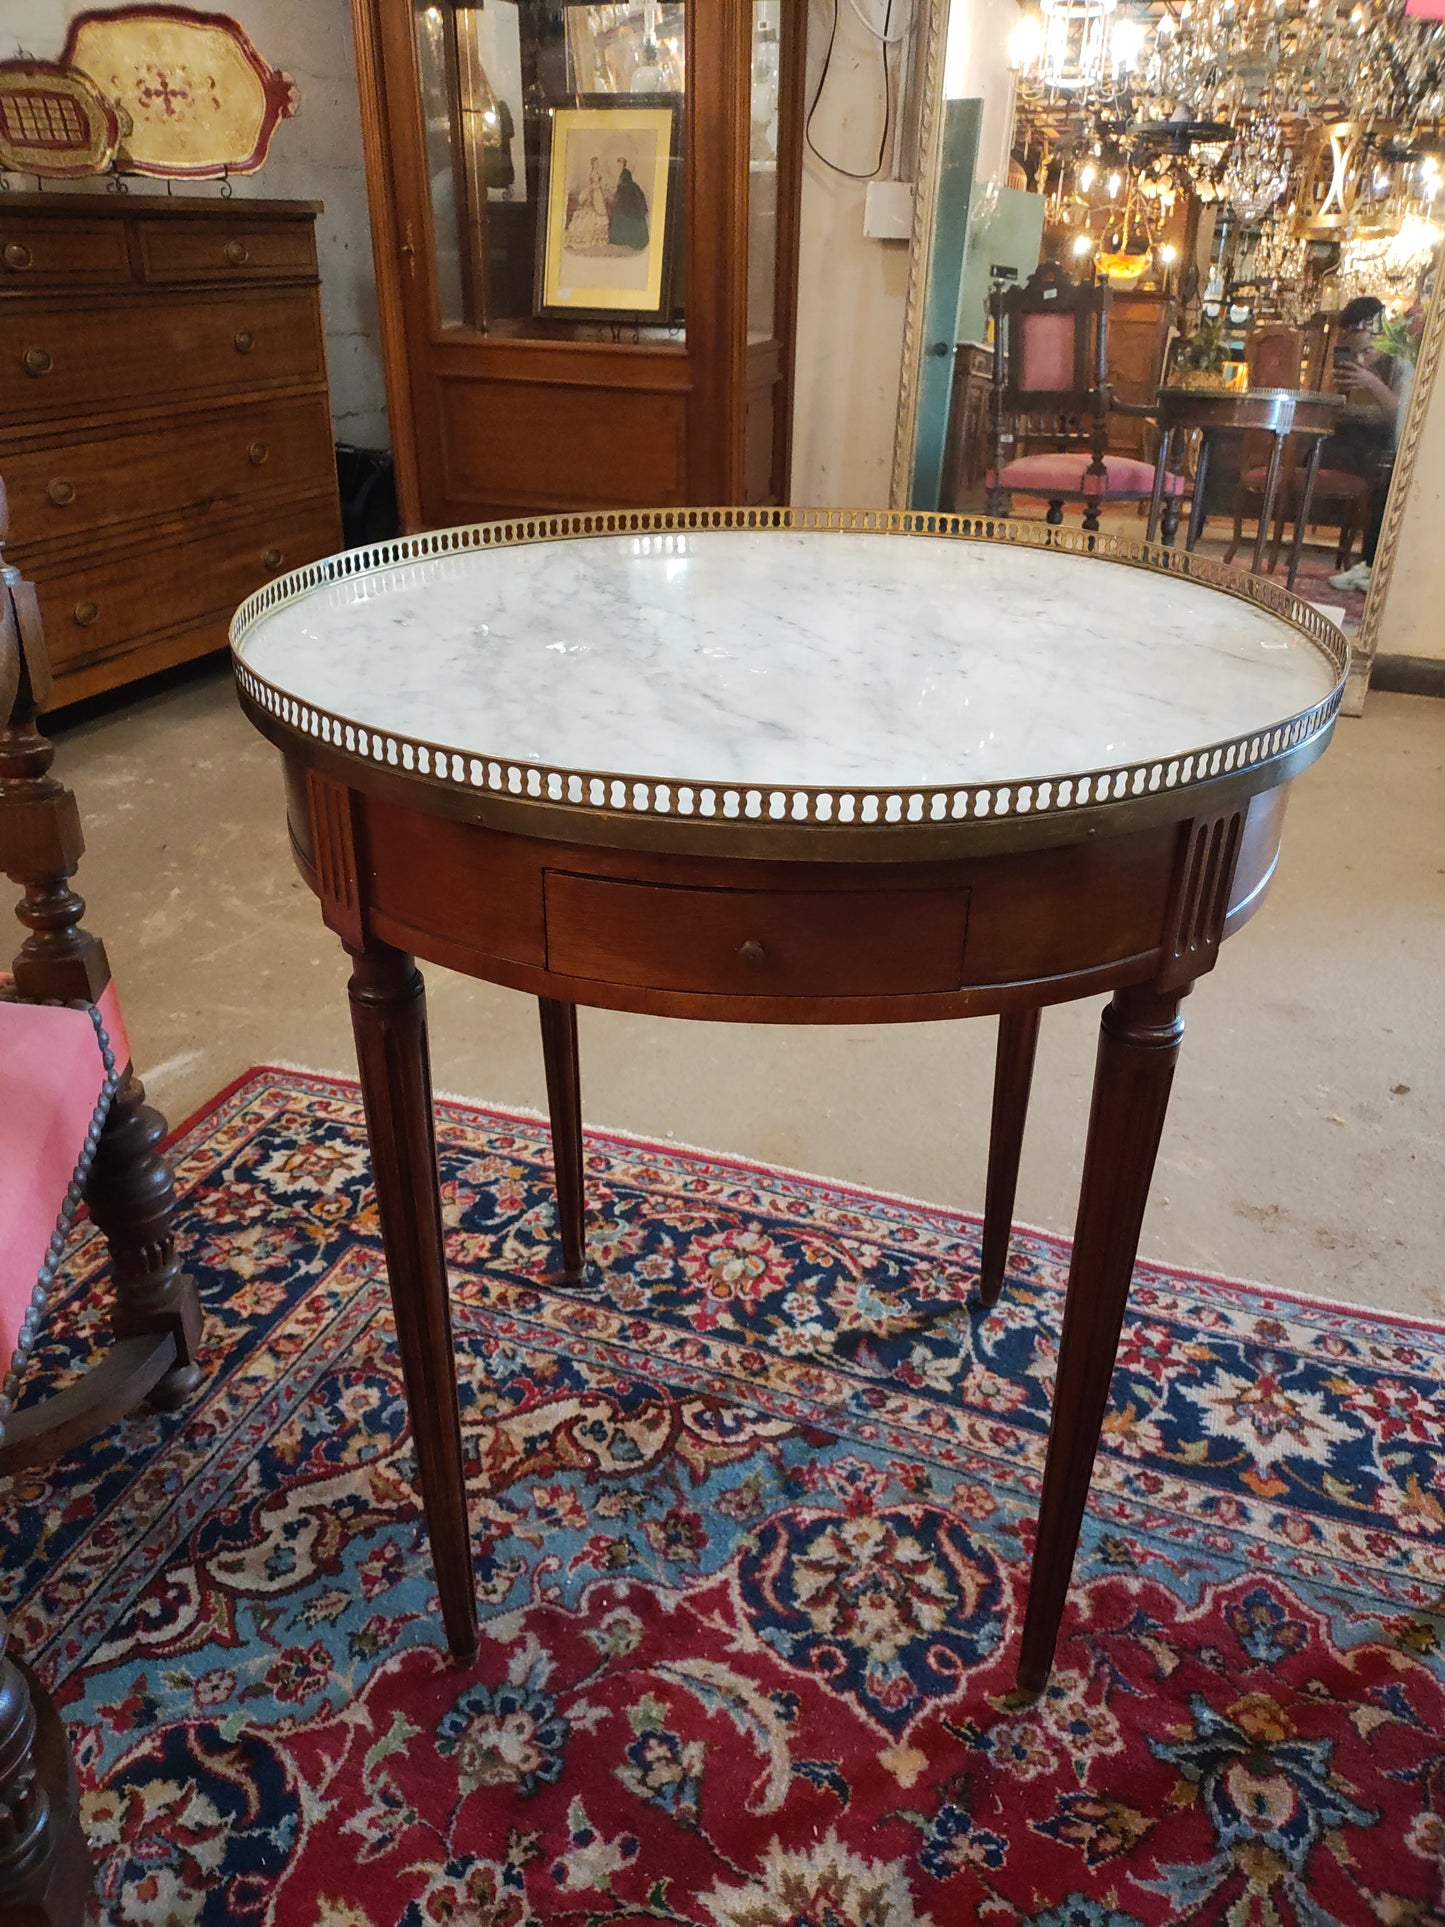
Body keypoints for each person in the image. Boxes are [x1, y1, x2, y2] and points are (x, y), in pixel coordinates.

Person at [1327, 294, 1411, 593]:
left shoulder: (1402, 361)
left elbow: (1403, 416)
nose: (1361, 360)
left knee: (1385, 470)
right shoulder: (1359, 363)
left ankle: (1372, 562)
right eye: (1354, 354)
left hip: (1389, 447)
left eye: (1367, 351)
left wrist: (1372, 384)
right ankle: (1368, 562)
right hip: (1356, 441)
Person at [564, 155, 609, 250]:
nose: (597, 164)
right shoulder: (593, 173)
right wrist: (601, 184)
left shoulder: (597, 172)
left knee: (600, 213)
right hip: (595, 194)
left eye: (598, 163)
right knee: (592, 212)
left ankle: (598, 239)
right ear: (592, 164)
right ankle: (589, 238)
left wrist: (603, 187)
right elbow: (593, 185)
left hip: (599, 194)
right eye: (595, 163)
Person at [608, 156, 650, 251]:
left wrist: (618, 187)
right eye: (618, 164)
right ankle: (621, 238)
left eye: (620, 164)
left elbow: (626, 184)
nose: (618, 166)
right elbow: (620, 186)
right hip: (625, 195)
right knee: (620, 213)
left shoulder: (626, 173)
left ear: (624, 165)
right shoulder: (621, 173)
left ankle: (630, 239)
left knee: (628, 213)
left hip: (629, 196)